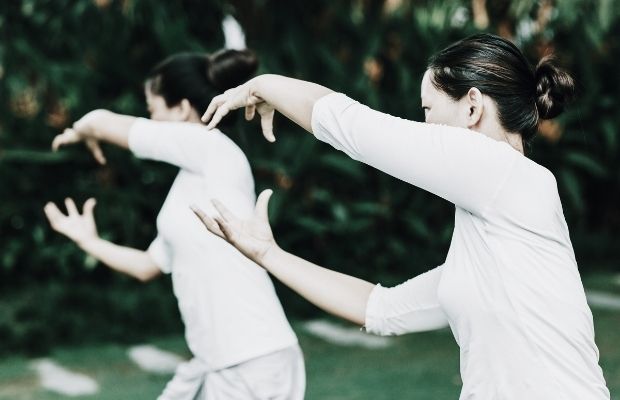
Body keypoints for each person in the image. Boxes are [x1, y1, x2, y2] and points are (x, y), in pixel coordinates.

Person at [193, 33, 610, 399]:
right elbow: (380, 309)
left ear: (472, 108)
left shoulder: (501, 170)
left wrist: (262, 84)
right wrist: (268, 254)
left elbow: (353, 129)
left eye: (428, 110)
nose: (421, 124)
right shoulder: (490, 243)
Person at [43, 50, 305, 400]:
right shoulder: (188, 188)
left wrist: (79, 130)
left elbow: (102, 122)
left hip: (254, 360)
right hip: (217, 362)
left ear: (181, 108)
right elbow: (147, 266)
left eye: (151, 109)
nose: (148, 119)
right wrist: (89, 241)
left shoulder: (212, 147)